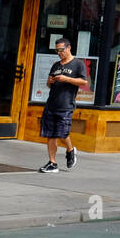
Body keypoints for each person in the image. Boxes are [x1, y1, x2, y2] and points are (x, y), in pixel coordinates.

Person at [39, 37, 89, 173]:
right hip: (51, 104)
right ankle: (52, 163)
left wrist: (66, 78)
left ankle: (71, 150)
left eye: (61, 50)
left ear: (69, 48)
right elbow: (49, 85)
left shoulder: (78, 64)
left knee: (62, 134)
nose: (59, 53)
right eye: (57, 50)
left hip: (66, 104)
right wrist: (50, 81)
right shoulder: (56, 65)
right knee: (50, 135)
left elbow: (84, 82)